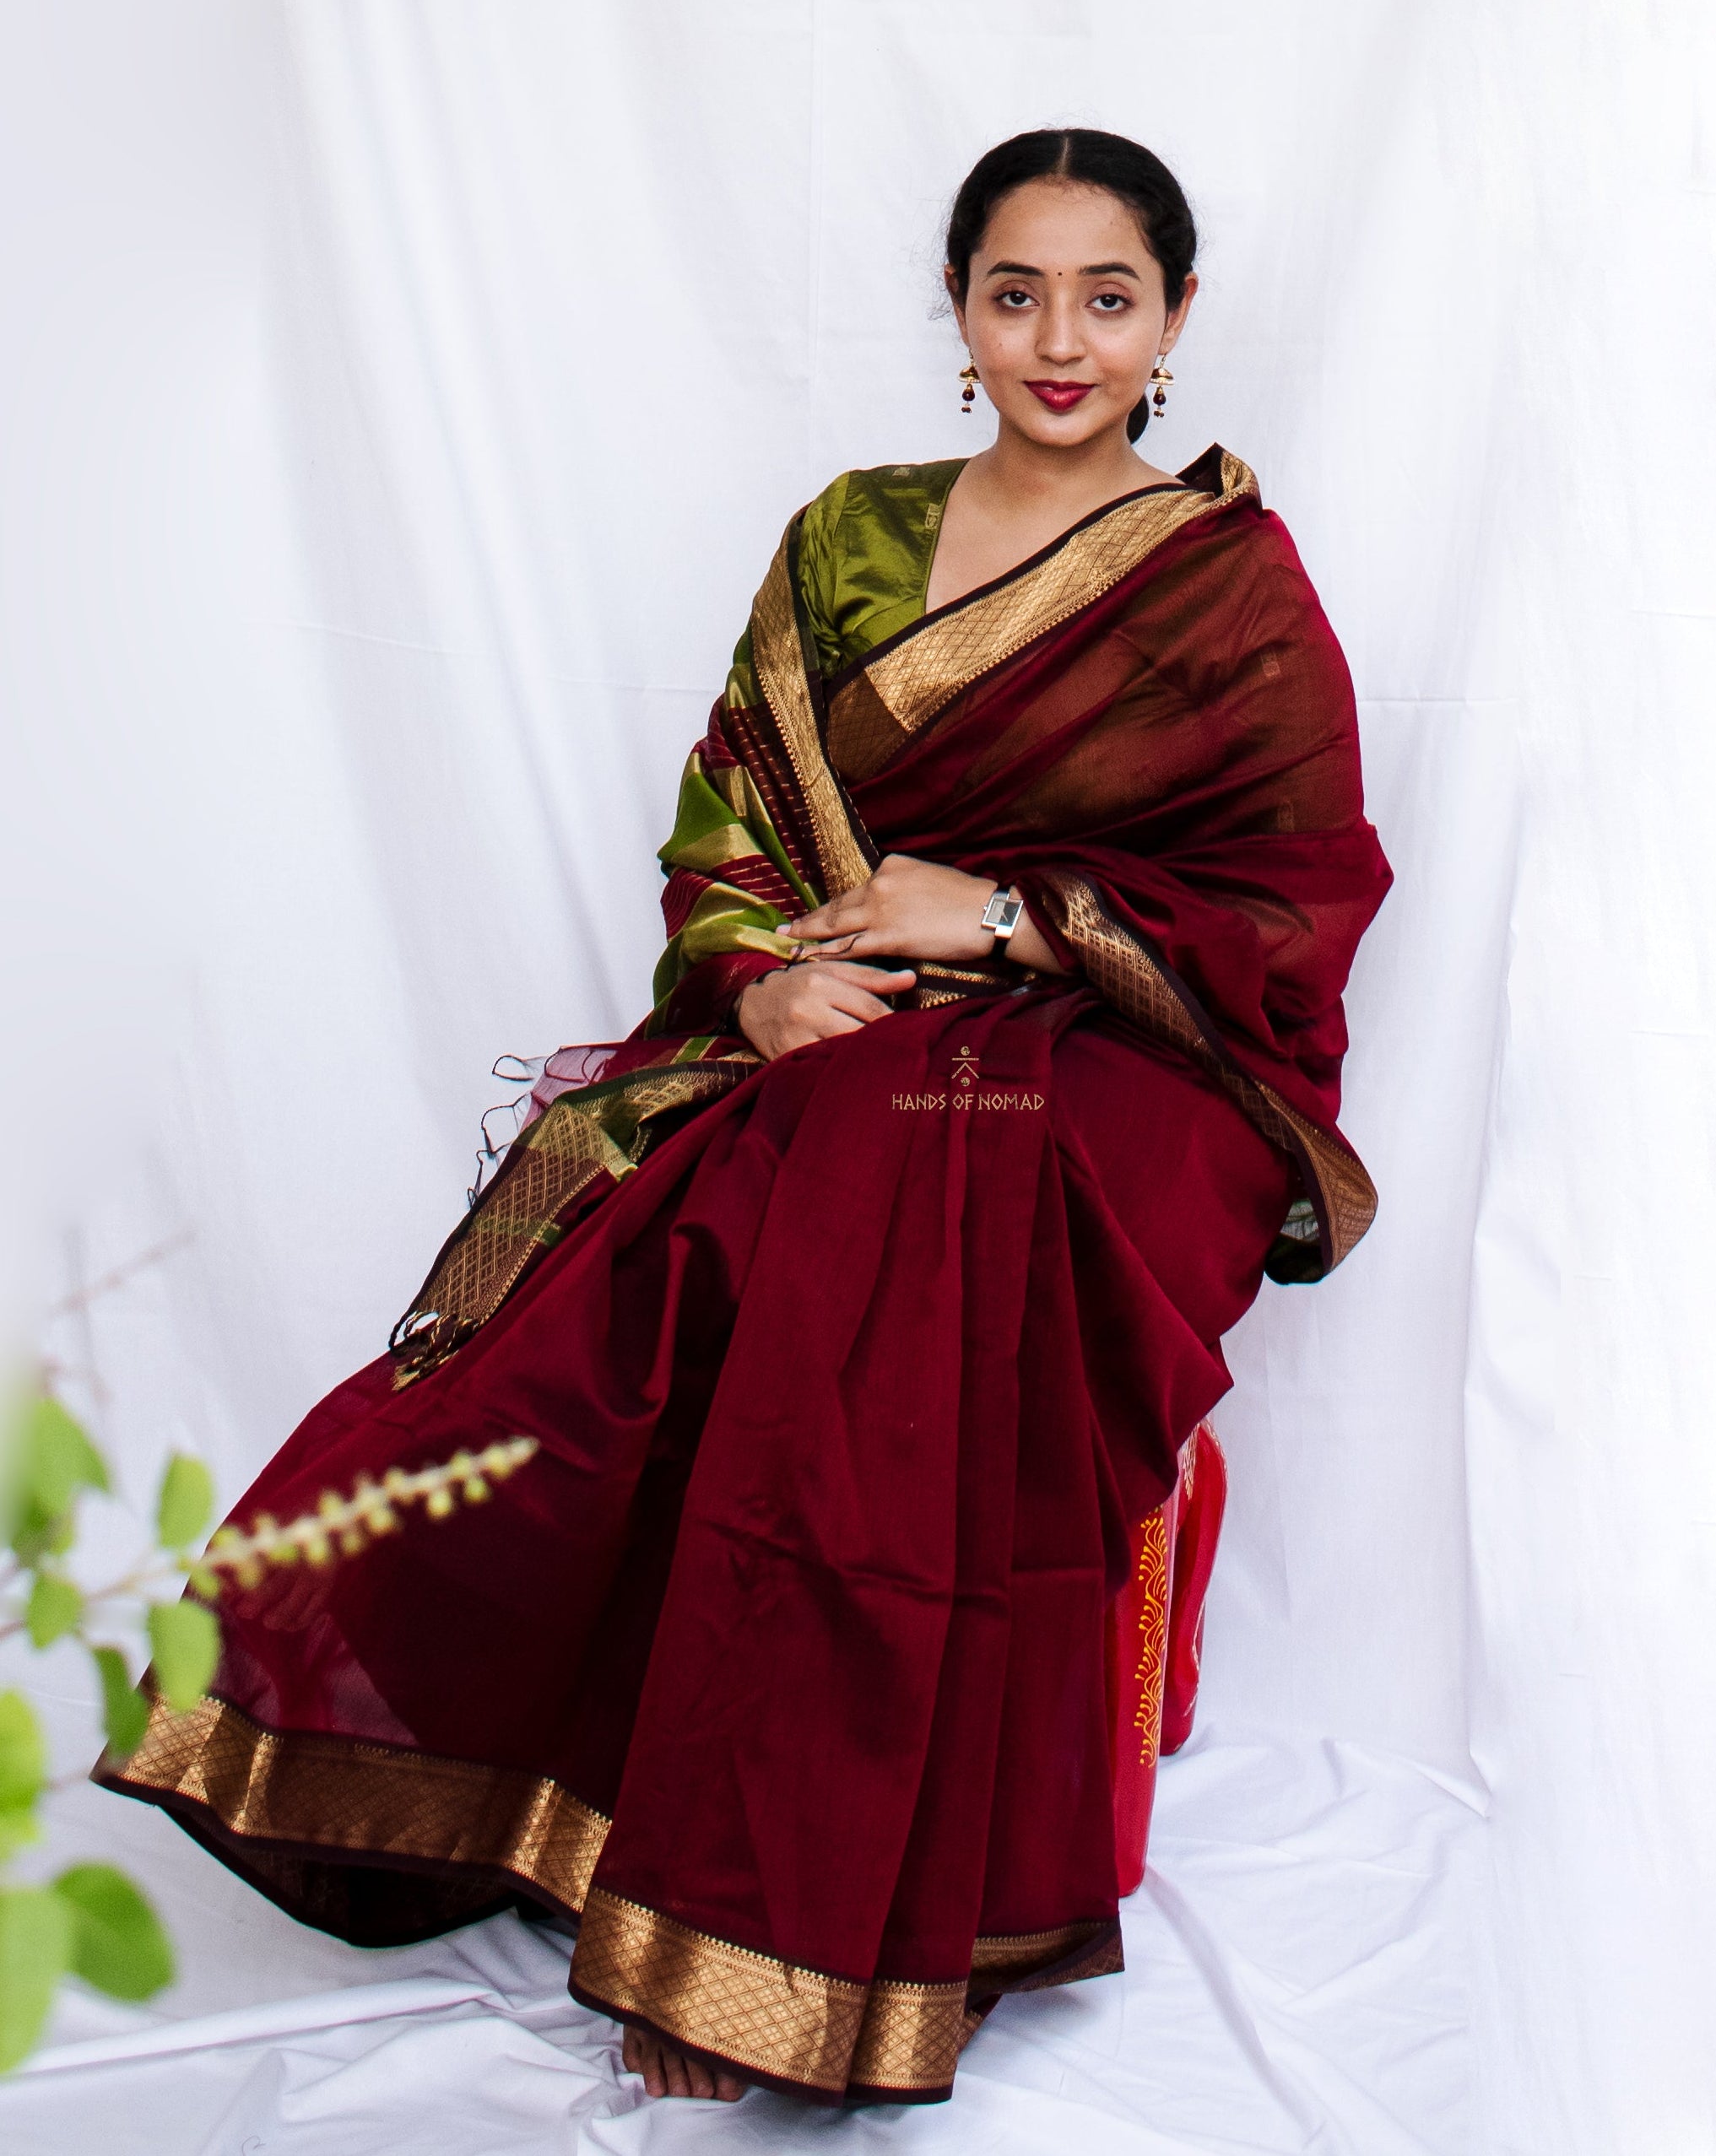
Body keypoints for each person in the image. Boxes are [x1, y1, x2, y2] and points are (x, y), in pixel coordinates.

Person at [99, 128, 1392, 2107]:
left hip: (1136, 1055)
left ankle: (798, 1914)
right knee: (704, 1222)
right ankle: (605, 1805)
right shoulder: (850, 532)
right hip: (840, 1010)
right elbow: (731, 812)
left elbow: (1293, 902)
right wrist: (760, 976)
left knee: (893, 1186)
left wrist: (1020, 917)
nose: (1061, 338)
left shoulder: (1227, 585)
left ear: (1176, 321)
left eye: (1107, 297)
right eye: (1014, 291)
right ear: (957, 312)